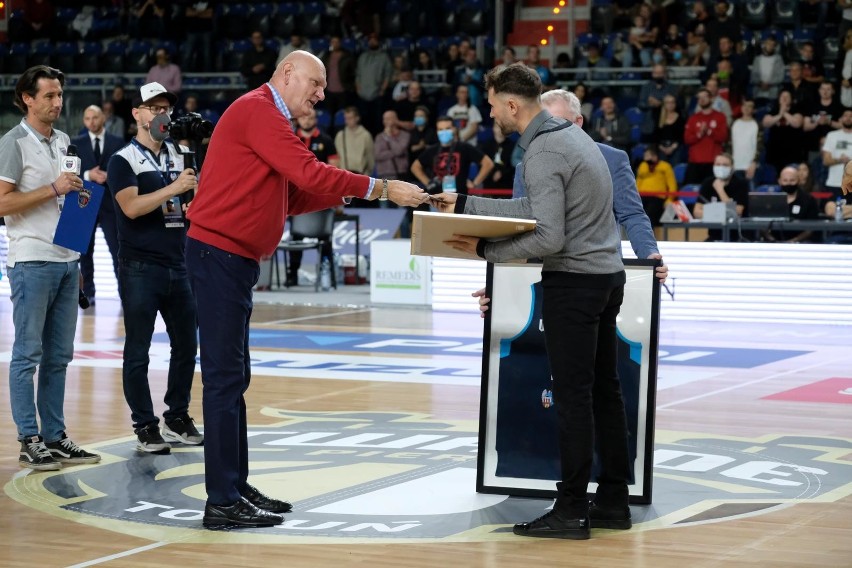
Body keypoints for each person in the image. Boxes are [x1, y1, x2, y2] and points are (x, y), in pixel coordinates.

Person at [184, 51, 428, 529]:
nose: (321, 94)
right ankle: (221, 501)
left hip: (230, 259)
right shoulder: (259, 110)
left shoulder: (264, 115)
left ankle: (234, 486)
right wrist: (380, 188)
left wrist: (345, 192)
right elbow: (309, 173)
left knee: (234, 379)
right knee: (223, 380)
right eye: (315, 84)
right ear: (287, 73)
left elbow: (293, 194)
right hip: (219, 256)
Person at [432, 63, 631, 540]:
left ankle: (570, 510)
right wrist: (464, 203)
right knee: (604, 391)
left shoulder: (543, 149)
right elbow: (535, 208)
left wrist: (486, 251)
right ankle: (612, 503)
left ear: (512, 104)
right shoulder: (570, 137)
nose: (491, 112)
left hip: (575, 285)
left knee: (572, 398)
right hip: (606, 277)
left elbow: (548, 234)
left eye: (493, 103)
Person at [0, 65, 101, 470]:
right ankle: (29, 438)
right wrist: (52, 189)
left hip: (64, 259)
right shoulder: (13, 143)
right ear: (27, 98)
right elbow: (2, 203)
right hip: (30, 260)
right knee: (28, 354)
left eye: (60, 96)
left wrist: (76, 250)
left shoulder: (63, 140)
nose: (58, 103)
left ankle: (55, 437)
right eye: (49, 96)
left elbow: (67, 200)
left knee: (59, 356)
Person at [107, 82, 203, 454]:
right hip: (140, 266)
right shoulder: (122, 159)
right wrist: (175, 188)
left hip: (178, 263)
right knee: (139, 351)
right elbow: (130, 208)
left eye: (166, 107)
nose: (162, 114)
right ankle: (145, 425)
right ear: (137, 114)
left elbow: (193, 199)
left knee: (186, 346)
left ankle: (176, 416)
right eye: (153, 107)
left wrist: (193, 201)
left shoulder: (180, 153)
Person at [519, 89, 667, 281]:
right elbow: (520, 227)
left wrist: (649, 255)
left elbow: (632, 214)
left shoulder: (613, 159)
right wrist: (501, 281)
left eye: (557, 122)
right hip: (542, 274)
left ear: (578, 122)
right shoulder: (525, 166)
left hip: (600, 275)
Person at [73, 105, 122, 306]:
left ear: (103, 118)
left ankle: (124, 293)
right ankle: (88, 293)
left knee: (117, 249)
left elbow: (125, 169)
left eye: (95, 117)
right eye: (87, 118)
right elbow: (70, 172)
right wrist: (88, 175)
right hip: (84, 200)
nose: (91, 122)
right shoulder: (75, 143)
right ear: (84, 121)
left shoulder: (118, 142)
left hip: (111, 202)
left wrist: (113, 176)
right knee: (84, 251)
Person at [287, 107, 339, 286]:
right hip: (296, 196)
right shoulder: (291, 139)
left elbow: (334, 168)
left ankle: (325, 274)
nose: (307, 121)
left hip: (320, 196)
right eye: (304, 117)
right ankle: (292, 274)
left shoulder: (326, 140)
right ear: (298, 120)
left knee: (324, 239)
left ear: (316, 119)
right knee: (295, 237)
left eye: (311, 118)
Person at [410, 115, 494, 195]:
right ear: (437, 131)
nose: (444, 132)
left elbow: (488, 163)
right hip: (437, 197)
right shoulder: (432, 150)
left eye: (447, 128)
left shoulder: (464, 147)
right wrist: (428, 183)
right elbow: (415, 167)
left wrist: (475, 183)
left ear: (454, 129)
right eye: (440, 129)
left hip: (460, 197)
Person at [693, 152, 749, 241]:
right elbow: (697, 212)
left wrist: (720, 190)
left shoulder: (741, 184)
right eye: (718, 165)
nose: (721, 167)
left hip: (737, 236)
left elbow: (736, 213)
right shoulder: (708, 183)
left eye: (725, 165)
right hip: (715, 235)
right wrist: (722, 214)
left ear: (732, 168)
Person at [761, 165, 820, 243]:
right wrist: (773, 240)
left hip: (801, 242)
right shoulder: (770, 200)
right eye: (785, 180)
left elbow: (811, 228)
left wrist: (793, 241)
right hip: (774, 242)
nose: (788, 183)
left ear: (798, 180)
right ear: (779, 181)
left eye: (792, 180)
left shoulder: (809, 200)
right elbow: (761, 225)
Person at [684, 88, 729, 184]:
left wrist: (709, 131)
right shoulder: (693, 118)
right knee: (690, 193)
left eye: (705, 96)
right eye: (699, 97)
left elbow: (723, 137)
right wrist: (699, 134)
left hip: (713, 162)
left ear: (711, 98)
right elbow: (687, 139)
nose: (702, 99)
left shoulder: (720, 117)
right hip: (695, 162)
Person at [635, 145, 677, 227]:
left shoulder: (665, 166)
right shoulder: (643, 166)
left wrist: (669, 200)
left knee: (649, 215)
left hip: (658, 198)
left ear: (654, 156)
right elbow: (638, 183)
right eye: (644, 156)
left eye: (647, 156)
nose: (645, 158)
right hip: (642, 197)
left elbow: (672, 185)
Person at [335, 106, 375, 178]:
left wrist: (368, 173)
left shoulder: (365, 135)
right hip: (345, 176)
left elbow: (370, 157)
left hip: (362, 175)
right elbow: (337, 156)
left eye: (350, 118)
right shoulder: (340, 135)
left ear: (357, 118)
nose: (347, 121)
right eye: (346, 118)